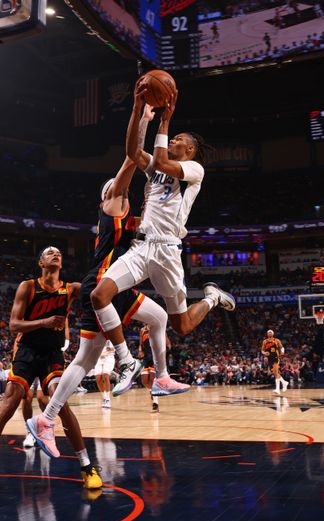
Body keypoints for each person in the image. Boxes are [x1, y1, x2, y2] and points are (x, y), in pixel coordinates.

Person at [27, 105, 194, 459]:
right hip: (103, 281)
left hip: (116, 281)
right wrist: (145, 121)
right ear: (109, 195)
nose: (121, 191)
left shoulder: (137, 215)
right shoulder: (113, 204)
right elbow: (131, 162)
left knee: (91, 357)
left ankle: (46, 418)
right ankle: (128, 360)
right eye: (115, 190)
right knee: (139, 330)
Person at [89, 77, 235, 396]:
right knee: (99, 295)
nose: (174, 139)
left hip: (168, 253)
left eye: (179, 138)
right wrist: (138, 108)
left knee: (181, 326)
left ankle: (211, 297)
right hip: (143, 249)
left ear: (191, 149)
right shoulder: (157, 165)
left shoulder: (194, 170)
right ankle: (128, 362)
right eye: (173, 134)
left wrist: (166, 120)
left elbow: (165, 163)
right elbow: (131, 151)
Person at [0, 246, 102, 494]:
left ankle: (87, 467)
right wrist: (44, 322)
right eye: (49, 253)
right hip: (26, 352)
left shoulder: (71, 289)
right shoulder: (28, 286)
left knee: (61, 402)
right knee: (9, 405)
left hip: (52, 354)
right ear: (41, 263)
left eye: (58, 252)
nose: (55, 254)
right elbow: (14, 324)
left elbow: (99, 285)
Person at [139, 325, 171, 413]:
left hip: (156, 355)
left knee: (153, 379)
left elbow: (168, 345)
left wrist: (163, 354)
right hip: (146, 356)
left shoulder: (160, 328)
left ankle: (155, 403)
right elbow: (141, 343)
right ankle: (152, 391)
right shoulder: (143, 329)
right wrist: (140, 351)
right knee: (144, 381)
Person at [262, 329, 287, 394]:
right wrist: (264, 353)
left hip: (276, 356)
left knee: (275, 372)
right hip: (269, 358)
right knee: (274, 372)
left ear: (273, 334)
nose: (269, 333)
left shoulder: (276, 340)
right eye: (268, 332)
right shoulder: (265, 341)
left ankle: (277, 389)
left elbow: (282, 347)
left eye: (270, 332)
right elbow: (262, 350)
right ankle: (284, 382)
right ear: (267, 334)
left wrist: (282, 352)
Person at [94, 342, 116, 409]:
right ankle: (104, 398)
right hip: (98, 358)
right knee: (98, 378)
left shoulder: (109, 334)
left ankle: (108, 399)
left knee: (105, 375)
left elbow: (114, 348)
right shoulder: (96, 336)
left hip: (109, 357)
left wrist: (111, 349)